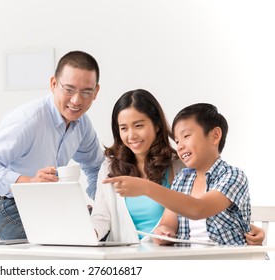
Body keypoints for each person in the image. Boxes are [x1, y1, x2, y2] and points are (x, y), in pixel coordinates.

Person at [92, 89, 264, 245]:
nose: (131, 135)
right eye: (123, 128)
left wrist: (246, 228)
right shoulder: (184, 178)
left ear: (157, 125)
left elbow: (198, 208)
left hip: (187, 258)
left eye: (139, 125)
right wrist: (164, 231)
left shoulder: (186, 168)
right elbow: (173, 218)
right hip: (141, 257)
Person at [0, 50, 105, 240]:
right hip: (9, 206)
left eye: (86, 92)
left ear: (96, 92)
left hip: (49, 206)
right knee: (69, 240)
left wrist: (104, 208)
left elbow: (95, 169)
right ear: (53, 84)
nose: (76, 100)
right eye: (69, 89)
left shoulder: (82, 125)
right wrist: (30, 182)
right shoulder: (28, 120)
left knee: (103, 232)